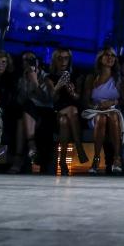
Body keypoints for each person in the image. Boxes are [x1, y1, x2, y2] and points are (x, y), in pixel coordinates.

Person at [81, 47, 124, 174]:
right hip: (96, 112)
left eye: (113, 55)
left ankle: (117, 159)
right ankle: (96, 159)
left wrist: (112, 102)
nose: (110, 58)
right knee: (101, 118)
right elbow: (85, 101)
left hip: (113, 111)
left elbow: (123, 100)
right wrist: (97, 107)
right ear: (100, 59)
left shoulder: (118, 79)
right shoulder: (92, 78)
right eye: (107, 55)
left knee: (112, 115)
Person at [46, 47, 88, 175]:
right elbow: (52, 99)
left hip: (73, 114)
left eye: (66, 58)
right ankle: (79, 148)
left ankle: (63, 162)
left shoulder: (76, 75)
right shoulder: (49, 77)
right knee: (70, 111)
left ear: (69, 60)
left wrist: (72, 92)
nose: (63, 61)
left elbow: (78, 98)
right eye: (59, 58)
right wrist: (58, 86)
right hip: (57, 111)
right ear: (55, 60)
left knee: (65, 120)